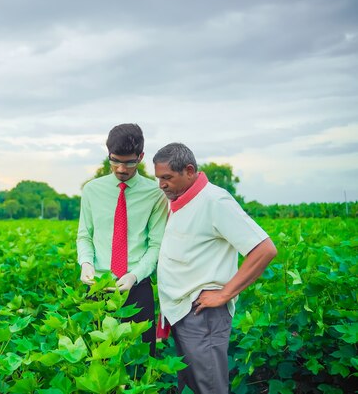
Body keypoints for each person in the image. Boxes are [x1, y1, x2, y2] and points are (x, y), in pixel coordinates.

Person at [153, 142, 277, 394]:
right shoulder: (180, 201)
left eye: (167, 177)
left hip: (203, 315)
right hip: (182, 312)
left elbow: (264, 249)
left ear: (189, 170)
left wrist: (224, 293)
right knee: (191, 386)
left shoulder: (215, 200)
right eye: (158, 178)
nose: (161, 185)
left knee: (209, 387)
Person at [77, 123, 168, 358]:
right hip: (97, 287)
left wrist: (133, 275)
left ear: (141, 157)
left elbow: (156, 245)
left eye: (129, 162)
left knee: (138, 362)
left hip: (137, 287)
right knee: (100, 362)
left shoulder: (155, 194)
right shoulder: (92, 190)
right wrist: (86, 264)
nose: (121, 168)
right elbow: (85, 235)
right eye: (115, 160)